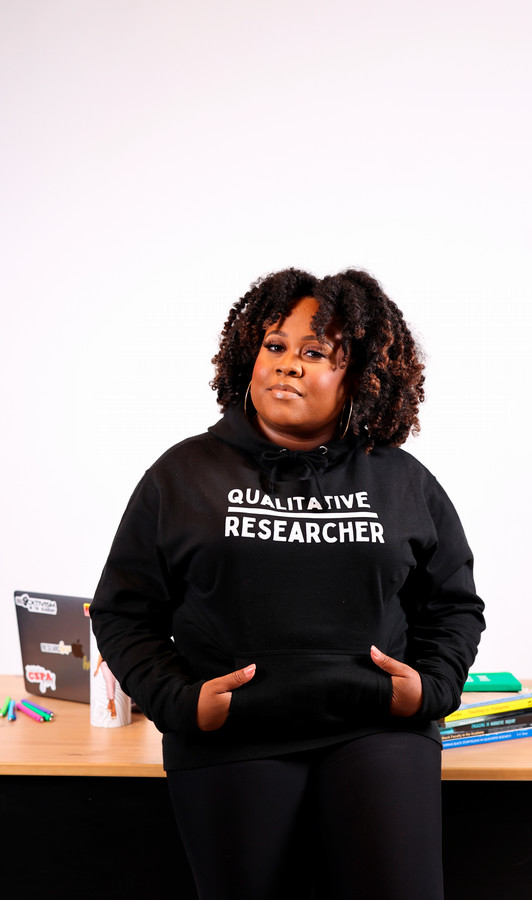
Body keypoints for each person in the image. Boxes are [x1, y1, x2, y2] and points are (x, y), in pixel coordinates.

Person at [90, 268, 485, 899]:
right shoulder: (181, 475)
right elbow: (122, 612)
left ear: (359, 376)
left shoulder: (404, 483)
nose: (288, 366)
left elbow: (454, 606)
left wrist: (431, 689)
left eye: (314, 353)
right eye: (275, 347)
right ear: (249, 356)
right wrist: (179, 701)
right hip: (231, 735)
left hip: (376, 726)